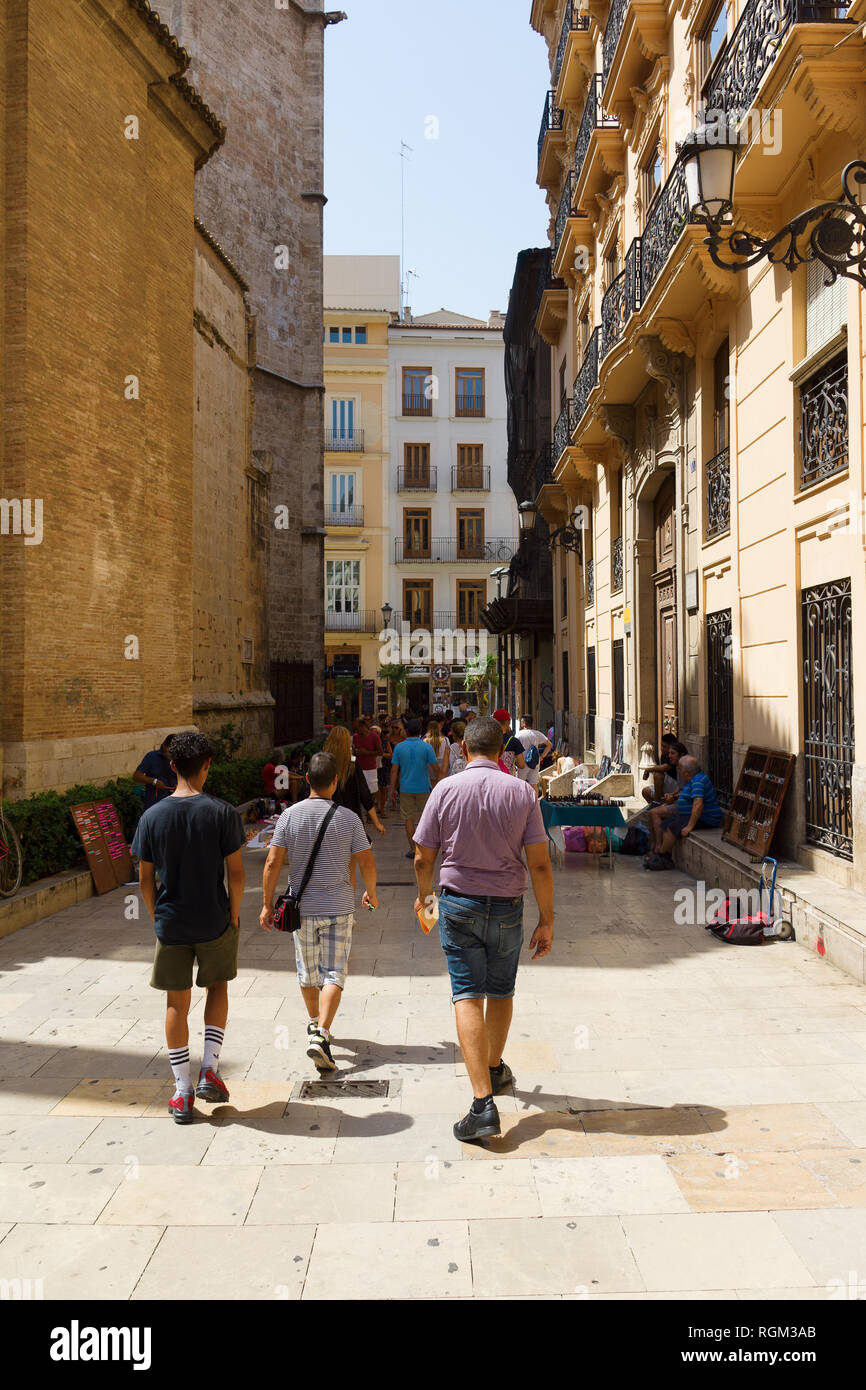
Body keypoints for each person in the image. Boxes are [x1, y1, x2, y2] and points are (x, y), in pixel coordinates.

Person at [412, 716, 554, 1141]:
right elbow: (541, 862)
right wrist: (547, 919)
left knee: (467, 995)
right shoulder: (523, 792)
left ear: (466, 750)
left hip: (458, 905)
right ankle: (493, 1067)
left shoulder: (445, 790)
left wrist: (426, 897)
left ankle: (481, 1103)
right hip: (508, 907)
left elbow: (422, 857)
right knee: (502, 991)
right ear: (501, 752)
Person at [131, 732, 246, 1124]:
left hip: (172, 920)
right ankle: (210, 1068)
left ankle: (182, 1092)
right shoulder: (222, 812)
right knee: (218, 987)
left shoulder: (151, 817)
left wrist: (154, 915)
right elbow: (236, 874)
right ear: (207, 766)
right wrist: (233, 915)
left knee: (175, 1003)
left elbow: (145, 879)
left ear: (173, 766)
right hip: (214, 917)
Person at [260, 751, 378, 1070]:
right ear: (336, 782)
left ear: (307, 779)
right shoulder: (349, 818)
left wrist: (266, 903)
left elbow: (272, 862)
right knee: (334, 972)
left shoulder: (289, 816)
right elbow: (366, 860)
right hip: (339, 907)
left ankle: (315, 1023)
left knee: (307, 972)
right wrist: (371, 891)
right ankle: (322, 1033)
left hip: (302, 909)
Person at [645, 755, 724, 870]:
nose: (679, 771)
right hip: (689, 814)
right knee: (666, 823)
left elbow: (698, 804)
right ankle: (662, 853)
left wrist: (689, 826)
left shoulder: (698, 781)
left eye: (680, 769)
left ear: (686, 772)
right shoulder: (693, 780)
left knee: (672, 827)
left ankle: (663, 857)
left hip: (706, 817)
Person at [390, 716, 439, 857]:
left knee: (408, 819)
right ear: (420, 731)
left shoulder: (399, 747)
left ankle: (412, 849)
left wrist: (392, 789)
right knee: (426, 818)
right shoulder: (426, 747)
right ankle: (424, 848)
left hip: (405, 788)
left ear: (406, 731)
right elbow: (435, 768)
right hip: (423, 787)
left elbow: (394, 770)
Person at [324, 726, 385, 837]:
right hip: (350, 820)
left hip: (327, 819)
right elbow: (365, 795)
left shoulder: (322, 765)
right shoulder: (352, 766)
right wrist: (377, 823)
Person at [133, 735, 177, 811]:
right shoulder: (151, 756)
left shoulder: (178, 758)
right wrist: (154, 781)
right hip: (154, 805)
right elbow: (136, 776)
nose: (169, 755)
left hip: (173, 804)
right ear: (163, 744)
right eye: (168, 752)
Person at [516, 716, 552, 790]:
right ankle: (534, 801)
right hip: (535, 762)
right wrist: (542, 757)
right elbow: (549, 745)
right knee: (533, 784)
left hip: (522, 762)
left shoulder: (519, 734)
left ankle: (521, 801)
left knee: (520, 783)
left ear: (524, 723)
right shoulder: (537, 733)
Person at [352, 717, 382, 799]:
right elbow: (353, 753)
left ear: (362, 726)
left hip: (370, 768)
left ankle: (370, 809)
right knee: (359, 790)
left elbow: (380, 752)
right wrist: (354, 755)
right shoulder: (355, 736)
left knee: (372, 790)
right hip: (358, 768)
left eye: (356, 728)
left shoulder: (374, 736)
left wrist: (366, 752)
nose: (355, 731)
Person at [492, 709, 526, 776]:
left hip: (490, 777)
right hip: (507, 778)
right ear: (508, 722)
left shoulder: (487, 740)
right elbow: (521, 765)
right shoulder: (514, 741)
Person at [425, 718, 450, 783]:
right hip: (442, 766)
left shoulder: (425, 741)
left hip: (429, 766)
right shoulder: (446, 740)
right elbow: (448, 754)